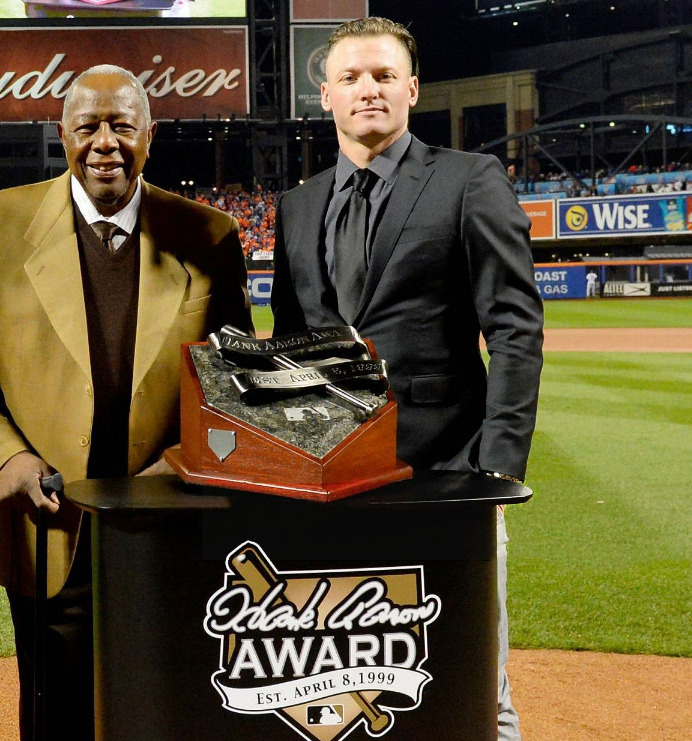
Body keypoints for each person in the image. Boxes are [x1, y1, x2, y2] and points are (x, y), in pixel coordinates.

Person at [0, 64, 252, 741]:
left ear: (150, 136)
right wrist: (5, 458)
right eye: (88, 125)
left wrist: (182, 460)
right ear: (62, 134)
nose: (105, 141)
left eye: (122, 124)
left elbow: (230, 378)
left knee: (167, 706)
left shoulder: (209, 233)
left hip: (165, 519)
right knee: (55, 718)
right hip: (47, 518)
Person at [270, 18, 543, 741]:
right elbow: (290, 349)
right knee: (353, 677)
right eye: (352, 77)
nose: (369, 90)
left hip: (445, 474)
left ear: (411, 90)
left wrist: (493, 470)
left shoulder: (466, 179)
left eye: (385, 76)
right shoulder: (298, 206)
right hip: (332, 482)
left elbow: (514, 328)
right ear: (325, 94)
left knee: (475, 678)